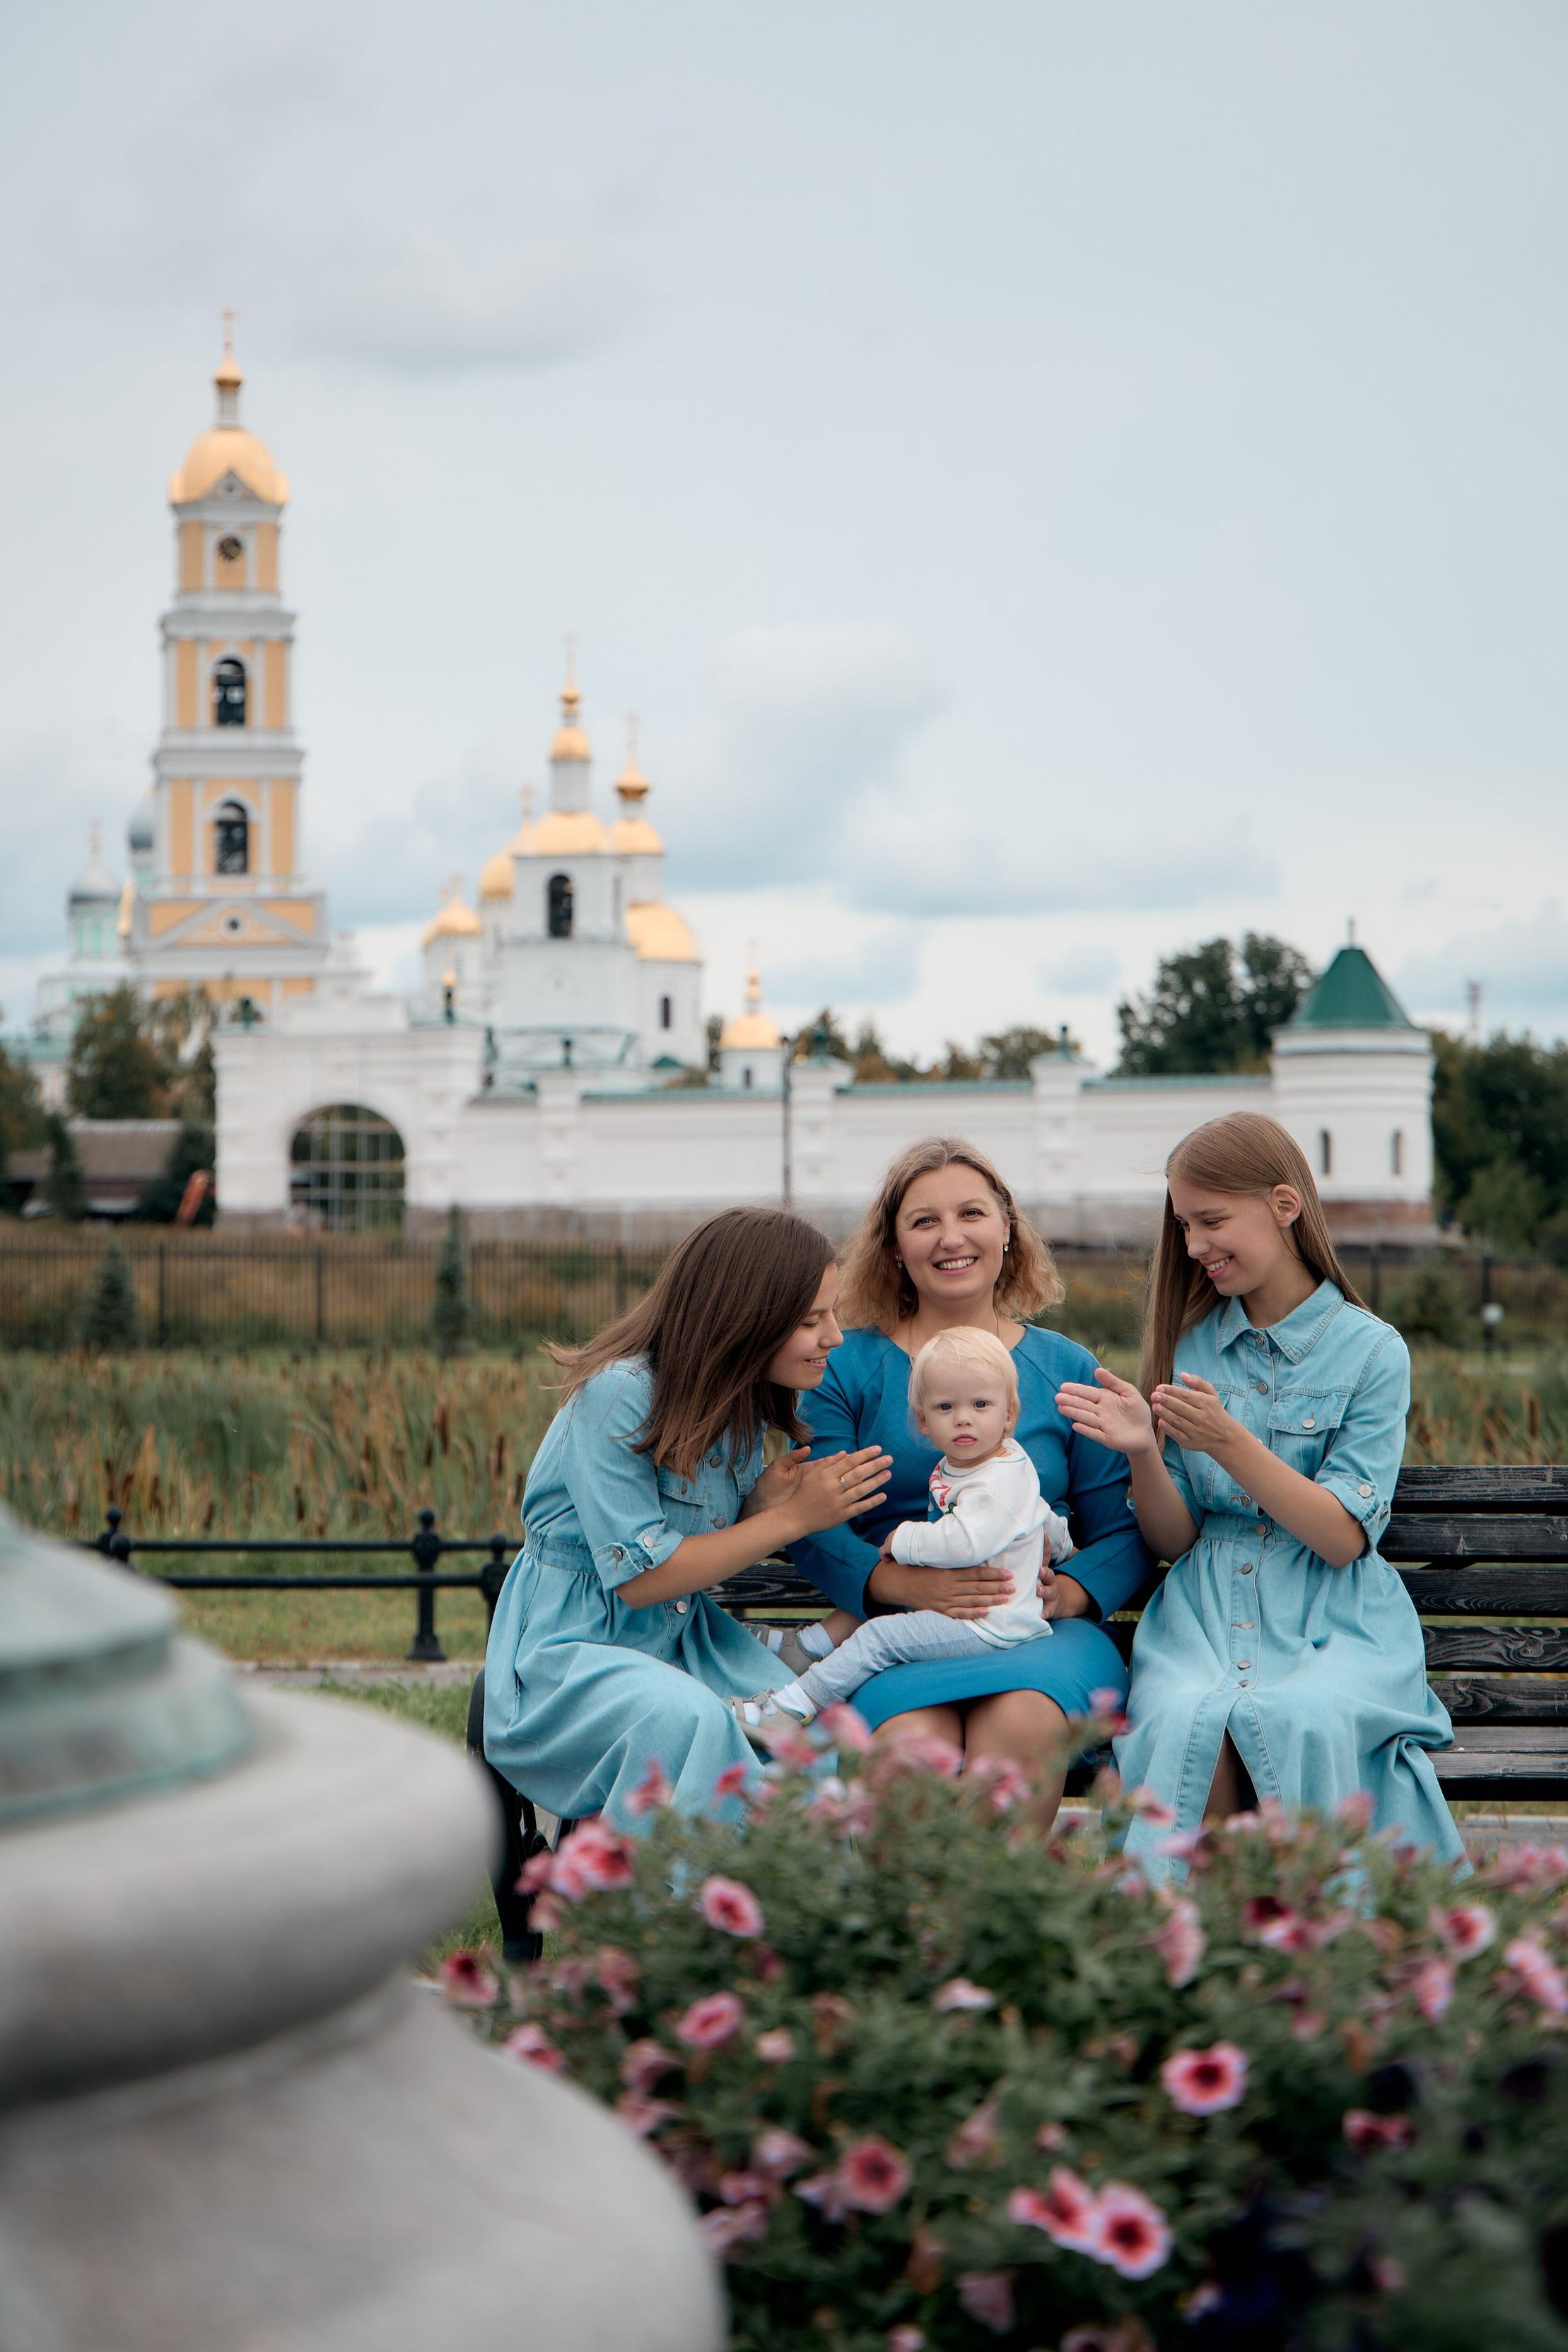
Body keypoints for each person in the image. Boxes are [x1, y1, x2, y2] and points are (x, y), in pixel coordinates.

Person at [1055, 1110, 1463, 1870]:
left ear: (1284, 1205)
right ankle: (1195, 1959)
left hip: (1331, 1617)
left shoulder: (1373, 1351)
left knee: (1300, 1718)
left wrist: (1229, 1442)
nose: (1193, 1246)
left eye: (1211, 1220)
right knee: (1183, 1724)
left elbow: (1342, 1537)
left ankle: (1312, 1951)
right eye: (1182, 1226)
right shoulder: (1190, 1343)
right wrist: (1146, 1448)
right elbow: (1174, 1539)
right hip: (1206, 1613)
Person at [483, 1207, 891, 1827]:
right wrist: (788, 1521)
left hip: (681, 1644)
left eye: (831, 1314)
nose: (834, 1335)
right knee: (687, 1720)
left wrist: (757, 1506)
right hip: (569, 1657)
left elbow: (692, 1548)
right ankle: (686, 1912)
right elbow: (641, 1577)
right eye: (812, 1320)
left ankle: (794, 1913)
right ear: (744, 1320)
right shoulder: (619, 1395)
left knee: (803, 1730)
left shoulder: (741, 1409)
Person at [788, 1137, 1152, 1818]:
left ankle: (1003, 1926)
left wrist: (1071, 1591)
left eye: (972, 1213)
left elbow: (1123, 1530)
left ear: (1008, 1229)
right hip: (898, 1632)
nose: (951, 1237)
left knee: (1020, 1731)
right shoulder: (846, 1367)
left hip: (1040, 1637)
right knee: (905, 1752)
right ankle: (915, 1926)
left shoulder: (1064, 1366)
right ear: (894, 1245)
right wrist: (895, 1581)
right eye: (923, 1220)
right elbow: (811, 1522)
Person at [757, 1328, 1072, 1724]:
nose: (963, 1420)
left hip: (989, 1624)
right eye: (944, 1408)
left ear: (1008, 1414)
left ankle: (790, 1709)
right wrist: (1061, 1544)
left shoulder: (995, 1483)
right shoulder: (997, 1461)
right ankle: (808, 1644)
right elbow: (1039, 1511)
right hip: (975, 1606)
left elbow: (966, 1543)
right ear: (923, 1420)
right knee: (895, 1591)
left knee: (880, 1639)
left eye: (980, 1404)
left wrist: (905, 1540)